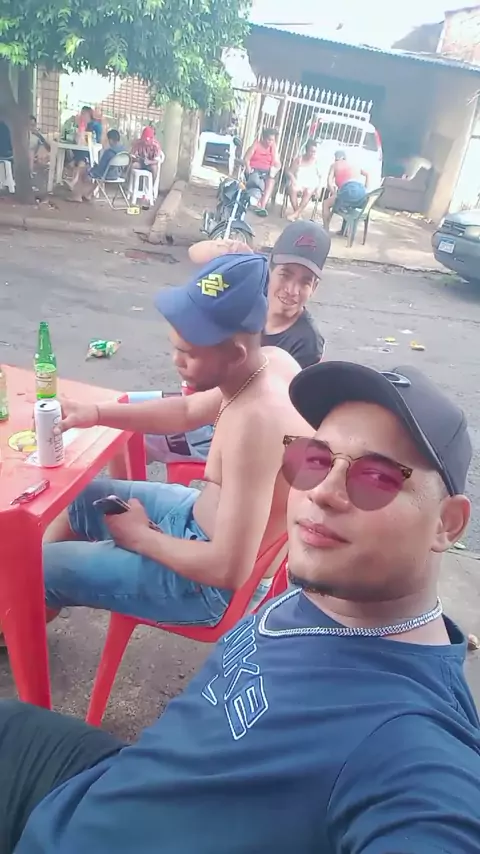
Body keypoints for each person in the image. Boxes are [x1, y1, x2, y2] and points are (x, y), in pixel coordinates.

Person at [4, 363, 480, 854]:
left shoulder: (410, 740)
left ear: (446, 524)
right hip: (110, 778)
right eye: (316, 459)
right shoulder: (331, 593)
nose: (322, 492)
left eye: (377, 477)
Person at [42, 253, 310, 624]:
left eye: (187, 353)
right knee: (77, 503)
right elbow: (186, 411)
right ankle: (27, 608)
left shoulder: (255, 424)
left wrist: (140, 538)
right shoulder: (270, 361)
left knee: (37, 566)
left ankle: (29, 603)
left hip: (205, 587)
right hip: (196, 521)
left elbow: (229, 569)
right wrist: (97, 413)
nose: (175, 360)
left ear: (235, 354)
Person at [120, 220, 329, 468]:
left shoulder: (306, 341)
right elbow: (195, 253)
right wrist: (229, 251)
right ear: (269, 269)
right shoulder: (251, 290)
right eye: (285, 275)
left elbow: (287, 414)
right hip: (197, 399)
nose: (292, 289)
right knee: (122, 410)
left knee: (131, 433)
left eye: (305, 282)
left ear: (315, 287)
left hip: (232, 427)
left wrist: (187, 406)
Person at [67, 129, 125, 203]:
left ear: (110, 140)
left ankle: (77, 195)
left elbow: (100, 169)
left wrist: (92, 168)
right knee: (92, 173)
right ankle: (88, 193)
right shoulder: (124, 150)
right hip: (117, 175)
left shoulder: (109, 152)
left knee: (81, 170)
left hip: (106, 174)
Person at [322, 149, 369, 231]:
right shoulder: (354, 164)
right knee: (345, 200)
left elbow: (329, 183)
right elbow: (367, 174)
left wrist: (333, 192)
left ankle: (325, 228)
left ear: (336, 158)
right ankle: (344, 230)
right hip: (361, 194)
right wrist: (365, 188)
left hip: (346, 191)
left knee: (326, 204)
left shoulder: (334, 165)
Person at [243, 127, 281, 216]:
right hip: (255, 170)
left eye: (272, 140)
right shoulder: (256, 145)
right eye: (269, 139)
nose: (270, 142)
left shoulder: (273, 148)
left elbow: (278, 163)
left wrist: (275, 169)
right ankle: (256, 202)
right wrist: (248, 168)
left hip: (267, 172)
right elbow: (246, 159)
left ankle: (262, 206)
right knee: (257, 182)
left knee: (271, 182)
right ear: (264, 138)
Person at [285, 138, 321, 221]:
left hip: (311, 183)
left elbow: (320, 176)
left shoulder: (316, 161)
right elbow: (289, 171)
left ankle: (296, 214)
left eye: (314, 152)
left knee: (308, 191)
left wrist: (319, 188)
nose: (313, 154)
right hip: (299, 182)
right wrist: (293, 179)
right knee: (292, 189)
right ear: (306, 151)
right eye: (311, 151)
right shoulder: (299, 160)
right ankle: (297, 214)